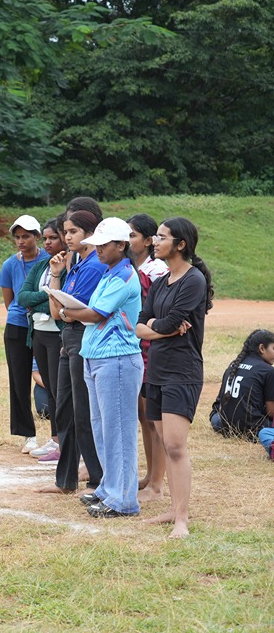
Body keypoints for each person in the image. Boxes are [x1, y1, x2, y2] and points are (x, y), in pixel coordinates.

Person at [61, 218, 143, 518]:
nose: (98, 250)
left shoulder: (123, 276)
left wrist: (68, 311)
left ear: (121, 245)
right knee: (103, 428)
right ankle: (110, 489)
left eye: (103, 245)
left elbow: (96, 314)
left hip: (117, 359)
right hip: (98, 357)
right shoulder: (110, 273)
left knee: (118, 430)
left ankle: (123, 500)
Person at [136, 216, 213, 539]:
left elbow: (166, 323)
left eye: (162, 237)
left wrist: (157, 326)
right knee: (165, 443)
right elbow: (139, 326)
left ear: (180, 244)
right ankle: (171, 508)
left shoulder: (193, 280)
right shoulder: (160, 282)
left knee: (176, 446)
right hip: (156, 370)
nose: (155, 241)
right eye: (155, 236)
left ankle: (182, 518)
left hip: (182, 372)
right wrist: (161, 328)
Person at [39, 209, 105, 495]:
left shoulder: (93, 266)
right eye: (65, 232)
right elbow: (58, 312)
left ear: (90, 233)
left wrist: (65, 310)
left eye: (73, 232)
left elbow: (71, 311)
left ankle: (96, 480)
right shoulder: (76, 265)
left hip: (81, 338)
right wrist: (55, 274)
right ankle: (65, 480)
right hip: (68, 338)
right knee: (64, 409)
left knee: (83, 412)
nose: (67, 237)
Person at [0, 215, 49, 453]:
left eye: (26, 236)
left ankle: (57, 436)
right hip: (17, 325)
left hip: (44, 323)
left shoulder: (48, 260)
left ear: (37, 236)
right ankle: (28, 434)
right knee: (18, 380)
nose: (21, 241)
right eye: (17, 237)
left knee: (52, 377)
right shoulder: (9, 265)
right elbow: (10, 302)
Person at [128, 213, 169, 501]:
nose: (127, 240)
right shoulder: (133, 267)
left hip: (152, 350)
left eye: (132, 235)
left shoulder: (156, 270)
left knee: (155, 419)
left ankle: (157, 484)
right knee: (144, 416)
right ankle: (150, 474)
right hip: (139, 347)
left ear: (147, 240)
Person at [17, 217, 65, 461]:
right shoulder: (41, 266)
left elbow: (63, 301)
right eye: (45, 238)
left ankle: (63, 441)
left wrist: (47, 302)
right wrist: (47, 297)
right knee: (49, 388)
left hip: (58, 334)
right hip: (38, 333)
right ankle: (55, 439)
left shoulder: (68, 267)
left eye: (53, 237)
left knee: (58, 389)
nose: (47, 242)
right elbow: (23, 297)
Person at [208, 329, 274, 440]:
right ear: (262, 348)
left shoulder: (234, 364)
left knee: (217, 417)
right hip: (252, 428)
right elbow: (271, 412)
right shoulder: (268, 370)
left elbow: (219, 402)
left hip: (222, 424)